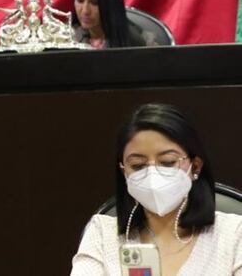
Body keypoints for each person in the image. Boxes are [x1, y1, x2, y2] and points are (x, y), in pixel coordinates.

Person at [70, 103, 242, 276]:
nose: (152, 175)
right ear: (124, 171)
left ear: (195, 167)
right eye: (138, 165)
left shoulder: (234, 233)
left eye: (167, 162)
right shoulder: (102, 233)